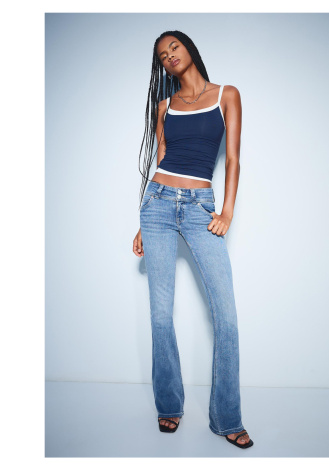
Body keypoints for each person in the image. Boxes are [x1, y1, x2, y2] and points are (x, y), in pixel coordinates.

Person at [132, 30, 253, 449]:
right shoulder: (164, 106)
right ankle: (169, 405)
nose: (169, 56)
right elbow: (162, 157)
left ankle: (227, 418)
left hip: (202, 207)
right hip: (157, 206)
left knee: (227, 318)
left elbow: (233, 158)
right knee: (160, 316)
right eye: (162, 55)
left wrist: (227, 212)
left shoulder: (227, 95)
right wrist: (143, 222)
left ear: (188, 49)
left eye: (174, 47)